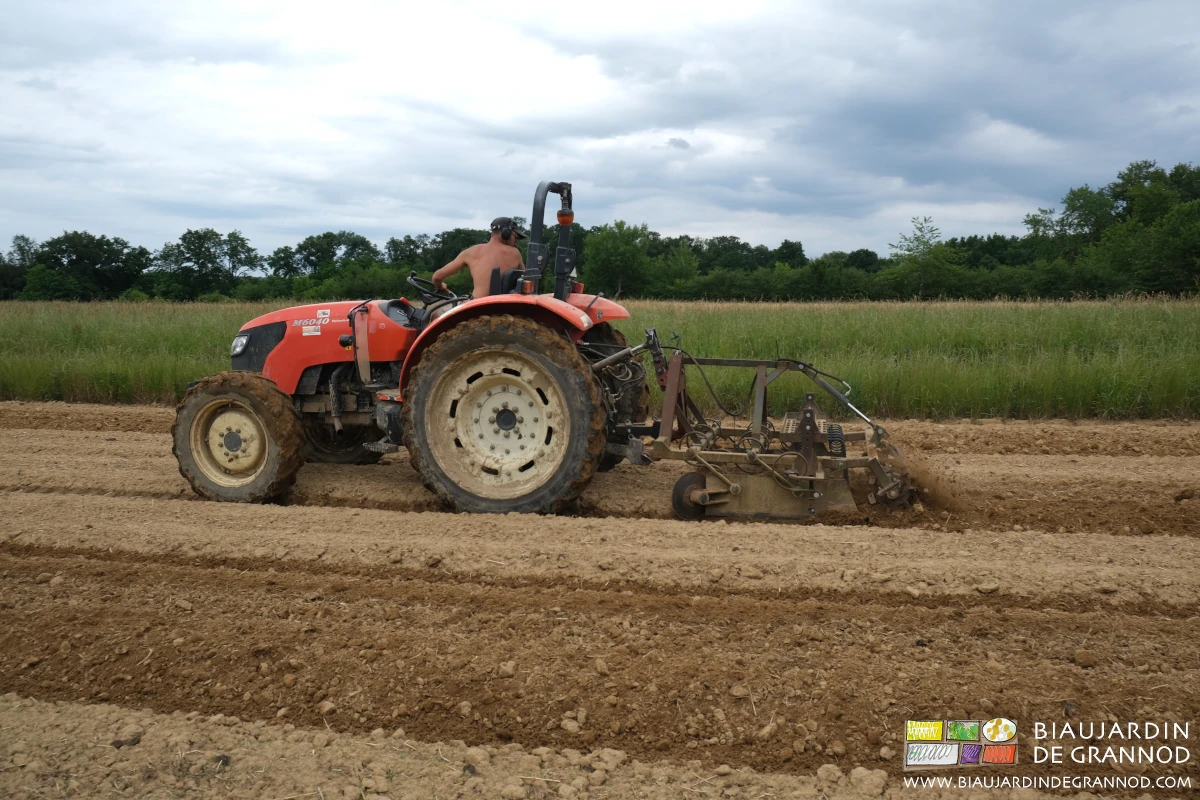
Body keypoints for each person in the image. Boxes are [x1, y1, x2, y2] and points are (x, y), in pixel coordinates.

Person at [432, 217, 526, 298]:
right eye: (516, 237)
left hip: (477, 306)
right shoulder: (515, 253)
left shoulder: (471, 252)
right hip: (505, 307)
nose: (516, 242)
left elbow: (437, 277)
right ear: (506, 233)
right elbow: (527, 278)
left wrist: (440, 286)